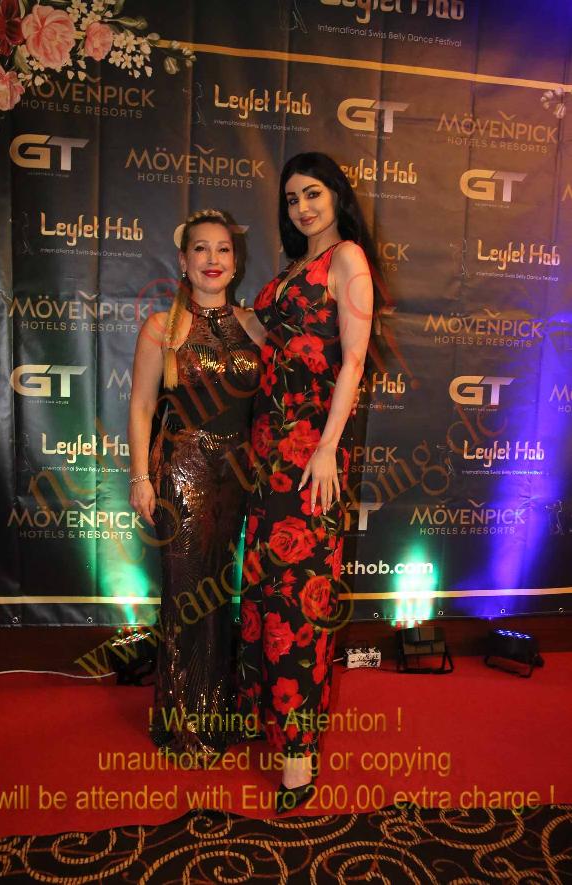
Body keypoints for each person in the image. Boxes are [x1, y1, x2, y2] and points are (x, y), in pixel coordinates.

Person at [236, 152, 376, 812]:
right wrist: (224, 310)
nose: (302, 208)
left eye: (313, 193)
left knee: (300, 602)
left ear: (337, 195)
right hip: (267, 449)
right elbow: (274, 342)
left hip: (311, 452)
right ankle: (270, 726)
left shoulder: (347, 259)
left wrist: (326, 449)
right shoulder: (293, 269)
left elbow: (352, 361)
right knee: (266, 591)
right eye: (292, 199)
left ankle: (298, 760)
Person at [128, 208, 263, 760]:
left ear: (235, 261)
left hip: (239, 477)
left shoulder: (255, 326)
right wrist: (141, 478)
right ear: (183, 261)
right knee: (187, 595)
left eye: (223, 249)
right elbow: (141, 407)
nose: (213, 259)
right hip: (183, 470)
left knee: (223, 593)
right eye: (201, 249)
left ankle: (220, 712)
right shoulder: (162, 328)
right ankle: (185, 724)